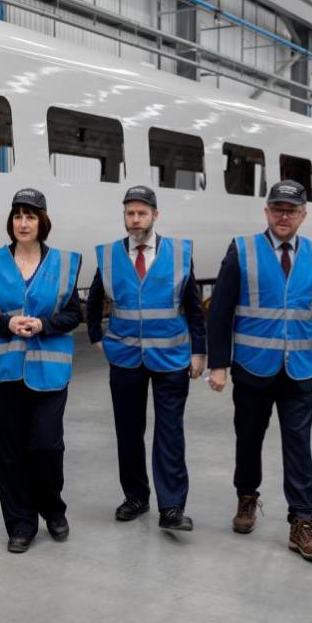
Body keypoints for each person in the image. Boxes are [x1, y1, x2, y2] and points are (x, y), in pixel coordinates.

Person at [206, 180, 312, 562]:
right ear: (266, 212)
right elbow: (220, 311)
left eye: (291, 210)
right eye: (277, 208)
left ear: (303, 215)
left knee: (299, 445)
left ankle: (301, 521)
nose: (284, 215)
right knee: (248, 439)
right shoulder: (242, 249)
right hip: (252, 367)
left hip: (299, 370)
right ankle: (246, 498)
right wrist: (219, 364)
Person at [86, 185, 207, 532]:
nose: (135, 219)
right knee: (128, 431)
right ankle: (136, 497)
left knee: (169, 432)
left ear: (156, 215)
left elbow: (194, 307)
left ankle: (171, 507)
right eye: (129, 213)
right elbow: (95, 298)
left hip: (171, 356)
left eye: (142, 213)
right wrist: (96, 335)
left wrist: (199, 350)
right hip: (125, 357)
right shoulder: (109, 256)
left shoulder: (180, 253)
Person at [0, 187, 82, 554]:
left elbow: (73, 314)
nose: (23, 223)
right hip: (4, 370)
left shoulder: (65, 263)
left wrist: (44, 325)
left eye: (30, 216)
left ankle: (52, 507)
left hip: (50, 371)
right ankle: (20, 523)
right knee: (10, 451)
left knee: (46, 445)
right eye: (18, 215)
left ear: (42, 221)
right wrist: (7, 324)